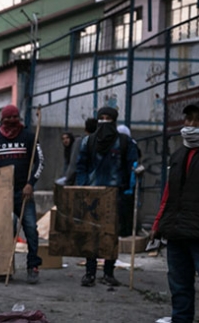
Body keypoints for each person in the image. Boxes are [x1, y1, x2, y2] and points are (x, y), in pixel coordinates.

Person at [151, 99, 199, 322]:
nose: (192, 124)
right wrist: (158, 224)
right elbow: (169, 193)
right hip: (177, 233)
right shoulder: (180, 153)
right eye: (189, 119)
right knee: (179, 290)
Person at [0, 104, 45, 284]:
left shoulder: (29, 137)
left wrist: (31, 184)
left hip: (24, 193)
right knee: (3, 232)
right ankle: (2, 267)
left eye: (15, 119)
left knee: (31, 229)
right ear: (2, 121)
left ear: (19, 120)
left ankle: (32, 266)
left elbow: (40, 162)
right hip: (2, 194)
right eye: (8, 120)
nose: (11, 123)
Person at [75, 107, 138, 287]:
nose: (104, 121)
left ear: (114, 120)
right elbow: (81, 166)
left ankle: (109, 273)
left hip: (115, 194)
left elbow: (132, 165)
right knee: (91, 234)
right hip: (92, 194)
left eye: (108, 118)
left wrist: (129, 189)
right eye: (101, 118)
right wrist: (83, 186)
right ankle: (90, 273)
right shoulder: (88, 142)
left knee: (111, 234)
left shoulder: (124, 142)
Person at [64, 118, 97, 185]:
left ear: (85, 129)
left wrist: (67, 181)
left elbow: (73, 164)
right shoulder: (101, 142)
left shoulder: (80, 142)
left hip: (81, 182)